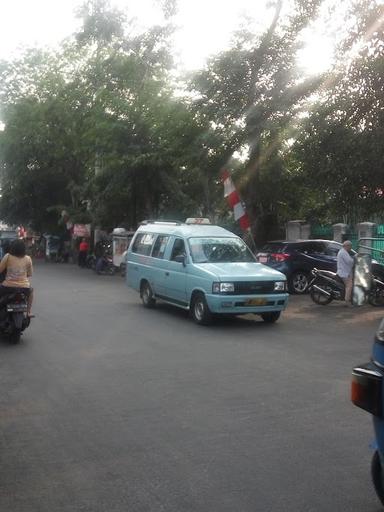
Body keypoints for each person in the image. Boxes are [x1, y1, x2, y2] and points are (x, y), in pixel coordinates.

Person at [0, 239, 33, 316]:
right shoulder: (28, 258)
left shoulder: (7, 256)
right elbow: (29, 274)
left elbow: (0, 270)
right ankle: (28, 312)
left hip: (8, 287)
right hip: (24, 287)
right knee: (31, 292)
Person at [337, 240, 354, 305]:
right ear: (347, 246)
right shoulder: (343, 252)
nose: (350, 248)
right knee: (349, 286)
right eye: (350, 246)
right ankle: (347, 302)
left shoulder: (343, 252)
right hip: (344, 273)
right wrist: (354, 260)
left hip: (344, 272)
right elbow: (349, 261)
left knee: (348, 286)